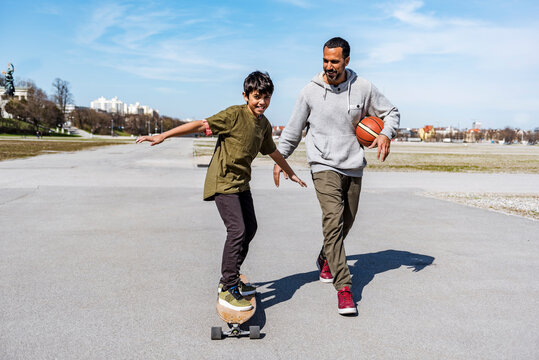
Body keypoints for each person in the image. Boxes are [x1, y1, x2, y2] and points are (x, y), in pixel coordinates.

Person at [137, 71, 307, 311]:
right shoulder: (234, 115)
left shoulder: (264, 124)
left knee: (251, 229)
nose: (262, 102)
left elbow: (273, 151)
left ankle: (232, 278)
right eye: (257, 96)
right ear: (246, 95)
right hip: (223, 182)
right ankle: (228, 287)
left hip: (241, 184)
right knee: (237, 230)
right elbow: (200, 124)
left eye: (267, 97)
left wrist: (289, 171)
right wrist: (164, 135)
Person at [273, 37, 400, 315]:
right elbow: (293, 130)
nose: (329, 66)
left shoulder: (363, 88)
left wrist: (385, 134)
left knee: (347, 220)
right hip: (322, 164)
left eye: (334, 61)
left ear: (346, 61)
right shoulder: (309, 91)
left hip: (353, 164)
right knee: (333, 219)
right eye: (325, 61)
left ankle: (326, 256)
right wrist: (280, 159)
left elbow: (391, 113)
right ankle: (344, 288)